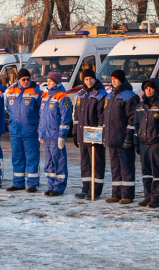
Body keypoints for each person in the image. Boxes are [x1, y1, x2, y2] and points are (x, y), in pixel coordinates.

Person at [136, 78, 159, 208]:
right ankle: (148, 197)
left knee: (157, 172)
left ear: (156, 89)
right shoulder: (140, 106)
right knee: (146, 172)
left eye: (151, 88)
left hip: (156, 144)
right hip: (143, 144)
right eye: (146, 88)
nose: (148, 90)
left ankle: (156, 199)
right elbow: (136, 125)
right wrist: (137, 143)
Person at [103, 70, 139, 204]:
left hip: (123, 139)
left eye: (116, 79)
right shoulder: (109, 96)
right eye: (112, 79)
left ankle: (127, 195)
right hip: (112, 139)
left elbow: (133, 119)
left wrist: (129, 137)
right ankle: (116, 193)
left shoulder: (130, 96)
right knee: (115, 168)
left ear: (122, 80)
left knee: (126, 167)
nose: (113, 81)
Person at [72, 69, 107, 200]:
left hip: (94, 135)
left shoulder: (100, 94)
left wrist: (99, 134)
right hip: (82, 135)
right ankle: (85, 188)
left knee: (96, 163)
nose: (88, 81)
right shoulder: (81, 94)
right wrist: (75, 133)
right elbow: (76, 116)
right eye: (86, 79)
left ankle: (95, 190)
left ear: (95, 79)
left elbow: (102, 117)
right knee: (85, 163)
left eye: (90, 79)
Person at [6, 68, 42, 192]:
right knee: (17, 157)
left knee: (32, 158)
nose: (26, 82)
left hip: (30, 130)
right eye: (23, 79)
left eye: (28, 79)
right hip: (15, 131)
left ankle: (32, 184)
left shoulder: (36, 92)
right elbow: (8, 108)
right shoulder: (11, 91)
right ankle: (18, 183)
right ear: (18, 80)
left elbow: (41, 111)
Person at [39, 72, 73, 196]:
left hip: (55, 136)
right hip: (46, 135)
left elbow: (65, 118)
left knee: (59, 162)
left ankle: (59, 187)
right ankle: (51, 185)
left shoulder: (63, 97)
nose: (48, 83)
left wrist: (62, 136)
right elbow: (41, 116)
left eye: (51, 81)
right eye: (48, 80)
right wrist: (40, 132)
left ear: (57, 82)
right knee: (49, 163)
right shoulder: (45, 95)